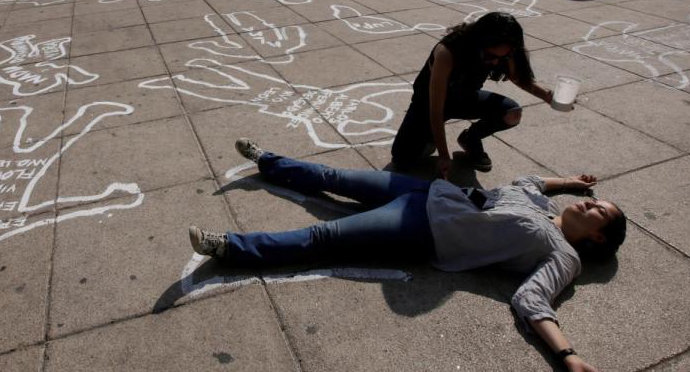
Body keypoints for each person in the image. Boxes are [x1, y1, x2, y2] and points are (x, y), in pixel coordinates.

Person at [191, 138, 626, 372]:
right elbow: (530, 179)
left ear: (600, 238)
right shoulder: (543, 206)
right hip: (433, 192)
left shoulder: (563, 257)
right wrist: (568, 181)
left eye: (598, 211)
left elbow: (533, 301)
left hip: (423, 229)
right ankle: (270, 161)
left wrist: (567, 356)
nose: (590, 204)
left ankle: (232, 248)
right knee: (336, 176)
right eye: (595, 200)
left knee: (323, 237)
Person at [391, 12, 554, 175]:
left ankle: (470, 139)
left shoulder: (503, 49)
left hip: (464, 98)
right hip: (427, 105)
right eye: (491, 56)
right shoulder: (447, 52)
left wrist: (547, 96)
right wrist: (443, 154)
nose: (497, 62)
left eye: (504, 57)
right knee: (402, 160)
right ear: (478, 41)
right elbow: (435, 109)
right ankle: (429, 138)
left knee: (512, 113)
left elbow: (517, 77)